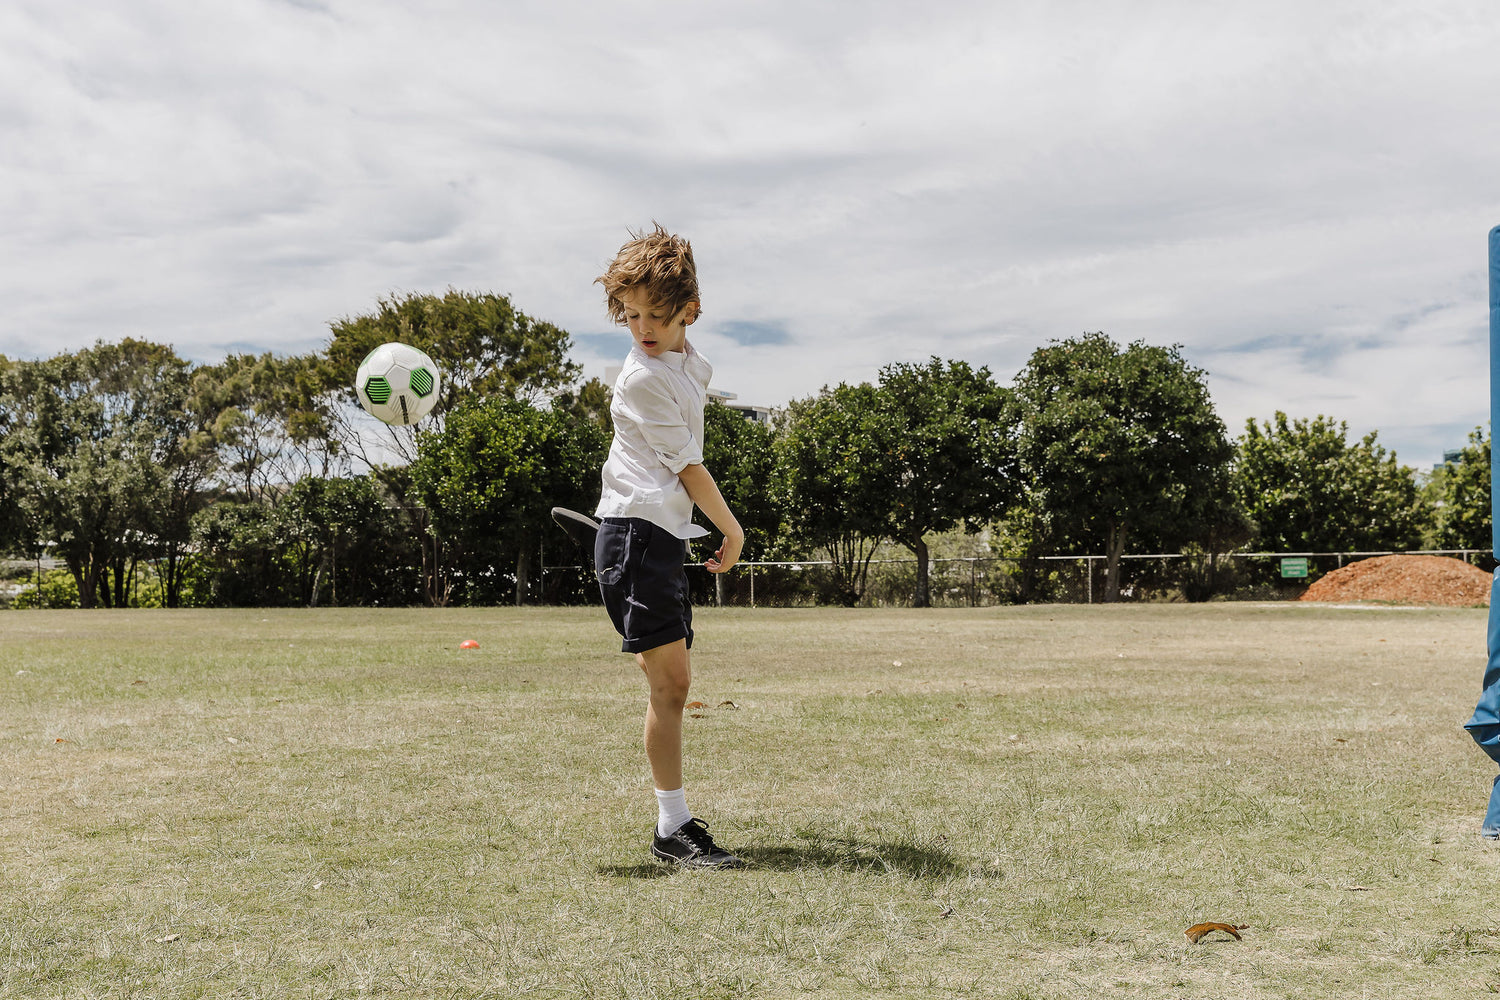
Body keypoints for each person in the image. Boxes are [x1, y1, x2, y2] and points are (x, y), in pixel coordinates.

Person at [593, 224, 746, 869]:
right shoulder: (641, 381)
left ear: (689, 311)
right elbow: (687, 467)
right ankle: (672, 828)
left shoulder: (688, 367)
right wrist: (730, 528)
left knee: (672, 684)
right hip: (636, 539)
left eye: (656, 314)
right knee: (673, 687)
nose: (642, 328)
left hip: (656, 537)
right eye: (631, 316)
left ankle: (672, 823)